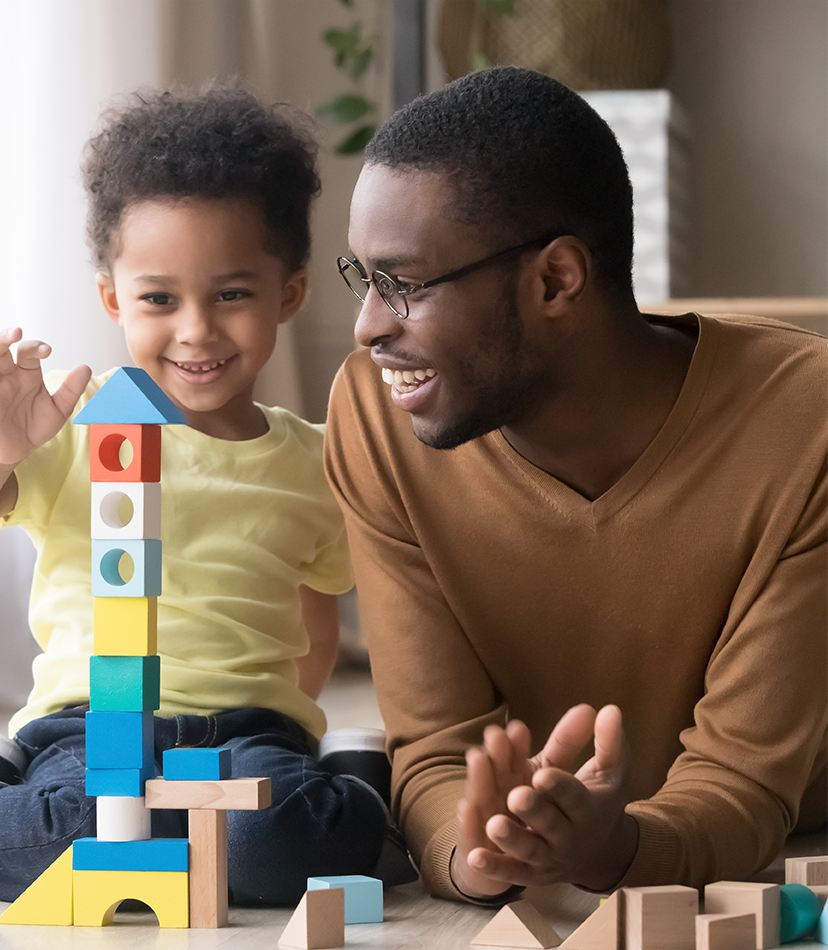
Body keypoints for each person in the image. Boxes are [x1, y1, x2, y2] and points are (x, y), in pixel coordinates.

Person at [0, 85, 414, 905]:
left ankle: (347, 775)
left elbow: (315, 614)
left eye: (231, 294)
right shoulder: (72, 422)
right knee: (74, 836)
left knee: (279, 845)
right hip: (88, 730)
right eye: (160, 299)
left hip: (248, 733)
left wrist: (293, 719)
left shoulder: (312, 460)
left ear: (288, 295)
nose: (195, 329)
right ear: (113, 299)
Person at [324, 65, 828, 905]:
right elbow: (435, 749)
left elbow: (746, 785)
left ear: (557, 279)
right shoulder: (378, 419)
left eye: (403, 283)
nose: (368, 325)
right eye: (364, 278)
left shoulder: (804, 422)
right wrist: (478, 851)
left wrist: (617, 847)